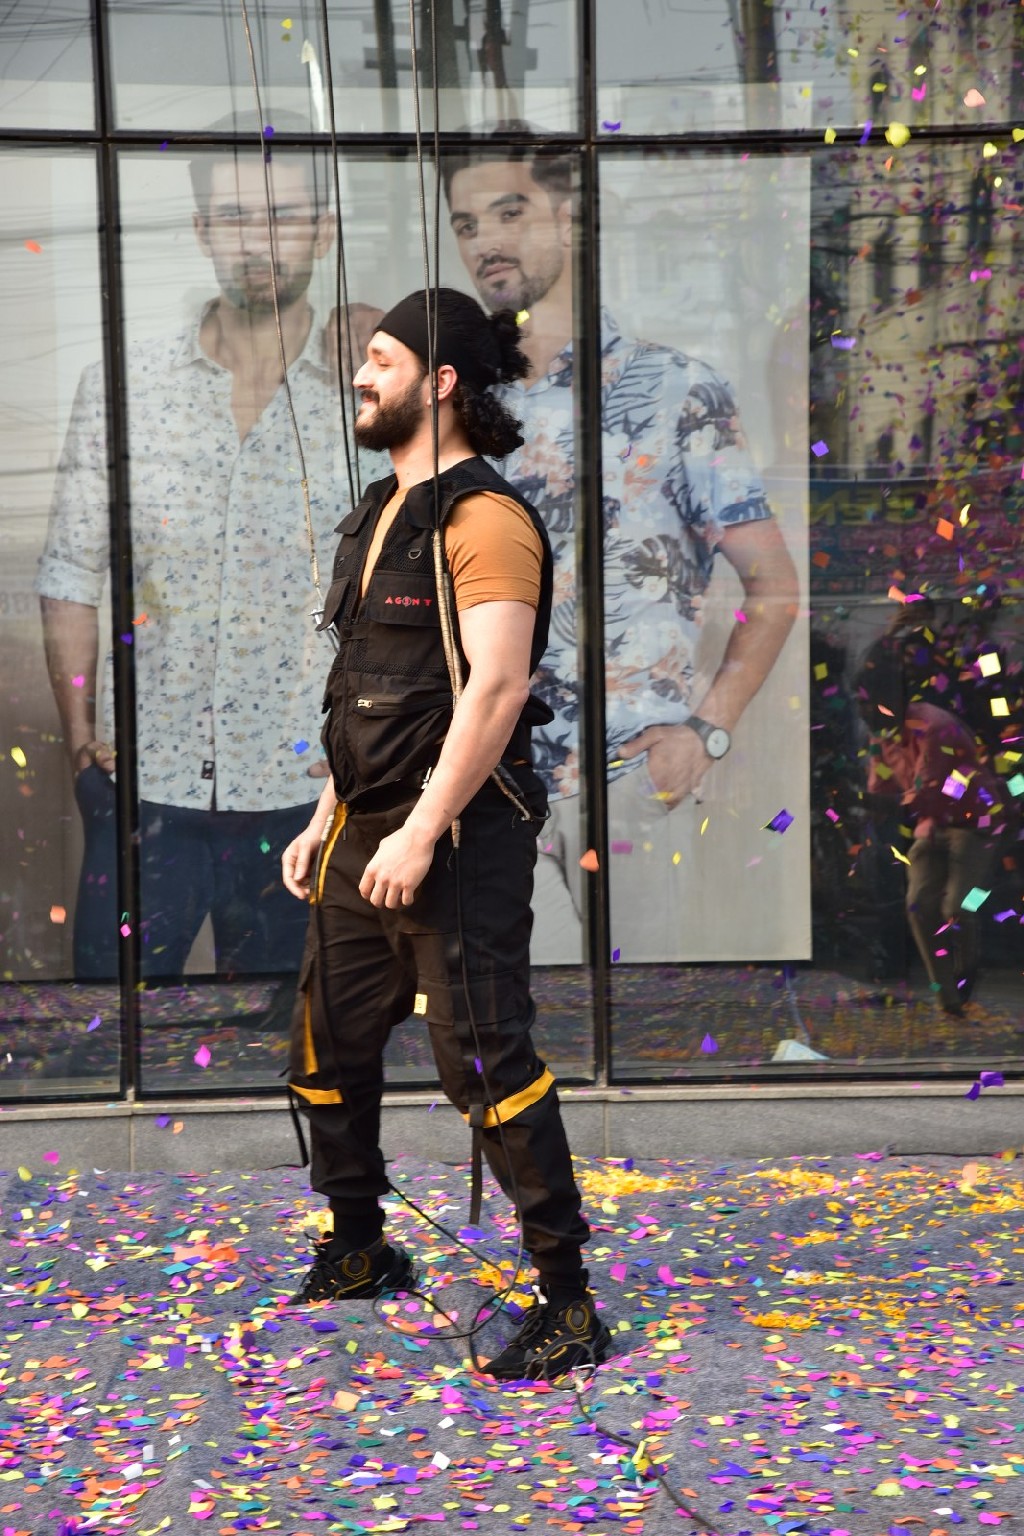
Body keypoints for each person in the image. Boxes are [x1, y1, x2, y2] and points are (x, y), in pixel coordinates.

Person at [281, 287, 610, 1382]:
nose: (361, 376)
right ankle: (361, 1246)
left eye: (382, 360)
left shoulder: (485, 520)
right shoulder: (380, 511)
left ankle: (567, 1302)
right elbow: (365, 685)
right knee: (325, 1050)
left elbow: (496, 689)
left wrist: (422, 831)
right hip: (360, 830)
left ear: (442, 382)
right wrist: (328, 815)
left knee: (485, 1065)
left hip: (457, 838)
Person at [441, 133, 801, 962]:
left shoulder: (676, 390)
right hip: (485, 788)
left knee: (635, 1021)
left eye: (510, 212)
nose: (486, 241)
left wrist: (706, 733)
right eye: (466, 224)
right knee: (504, 1020)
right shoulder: (455, 405)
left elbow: (774, 586)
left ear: (568, 215)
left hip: (631, 785)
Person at [36, 114, 381, 979]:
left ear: (324, 230)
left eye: (282, 215)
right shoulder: (124, 387)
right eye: (233, 217)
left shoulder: (370, 398)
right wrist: (82, 742)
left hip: (308, 794)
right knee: (111, 1024)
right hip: (144, 788)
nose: (257, 240)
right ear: (201, 231)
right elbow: (72, 572)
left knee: (291, 1037)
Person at [858, 624, 1011, 1014]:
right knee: (918, 905)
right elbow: (885, 793)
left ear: (891, 698)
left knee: (957, 908)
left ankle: (967, 968)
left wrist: (865, 801)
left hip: (976, 823)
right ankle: (947, 998)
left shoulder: (933, 726)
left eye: (869, 703)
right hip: (933, 823)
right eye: (861, 704)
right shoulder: (881, 738)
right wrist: (862, 805)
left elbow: (925, 792)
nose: (864, 712)